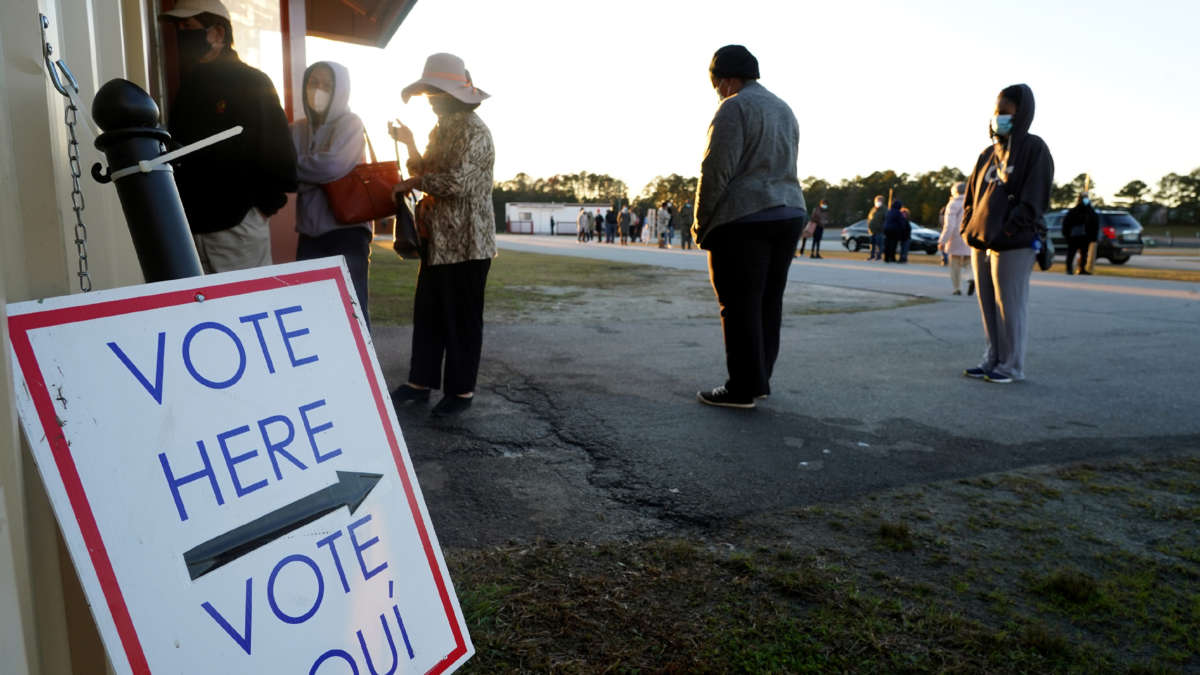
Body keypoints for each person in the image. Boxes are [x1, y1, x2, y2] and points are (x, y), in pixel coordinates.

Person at [692, 45, 807, 409]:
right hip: (788, 211)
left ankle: (741, 387)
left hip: (746, 217)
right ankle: (758, 379)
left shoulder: (734, 106)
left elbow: (716, 170)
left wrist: (701, 222)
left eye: (716, 84)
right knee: (768, 301)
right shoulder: (784, 108)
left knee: (738, 303)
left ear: (724, 79)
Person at [387, 53, 496, 416]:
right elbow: (426, 168)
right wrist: (409, 143)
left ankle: (461, 391)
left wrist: (416, 180)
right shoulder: (442, 127)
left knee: (462, 319)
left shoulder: (474, 131)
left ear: (454, 94)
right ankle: (420, 383)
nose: (431, 100)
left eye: (436, 93)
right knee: (430, 313)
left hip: (468, 243)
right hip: (438, 241)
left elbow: (458, 182)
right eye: (429, 93)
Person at [163, 0, 297, 273]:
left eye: (188, 26)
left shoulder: (252, 82)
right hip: (191, 232)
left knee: (248, 304)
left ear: (218, 33)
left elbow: (281, 157)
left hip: (238, 231)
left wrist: (258, 210)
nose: (181, 34)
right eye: (178, 27)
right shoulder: (189, 86)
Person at [961, 83, 1054, 384]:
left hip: (1013, 242)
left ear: (1021, 112)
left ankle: (1011, 365)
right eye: (996, 110)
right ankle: (992, 359)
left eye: (1006, 111)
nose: (999, 116)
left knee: (1009, 305)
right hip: (981, 240)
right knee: (988, 305)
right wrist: (967, 228)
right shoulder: (988, 153)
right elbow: (971, 196)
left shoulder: (1033, 148)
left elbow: (1035, 197)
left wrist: (1011, 227)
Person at [289, 61, 372, 325]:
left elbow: (333, 165)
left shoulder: (351, 123)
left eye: (327, 84)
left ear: (341, 89)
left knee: (351, 310)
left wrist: (301, 173)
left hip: (347, 232)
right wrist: (314, 174)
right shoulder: (296, 129)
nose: (318, 90)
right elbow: (285, 171)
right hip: (310, 235)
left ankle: (361, 367)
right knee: (310, 312)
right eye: (313, 83)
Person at [937, 182, 973, 295]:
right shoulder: (973, 202)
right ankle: (971, 277)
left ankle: (957, 288)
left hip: (956, 237)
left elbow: (950, 225)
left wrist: (942, 240)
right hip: (970, 235)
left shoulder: (953, 204)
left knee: (955, 264)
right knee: (968, 261)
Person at [1062, 193, 1098, 275]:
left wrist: (1093, 236)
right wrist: (1067, 235)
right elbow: (1066, 224)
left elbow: (1094, 223)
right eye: (1084, 198)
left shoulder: (1090, 211)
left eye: (1086, 198)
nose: (1086, 200)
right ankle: (1069, 269)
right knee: (1071, 253)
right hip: (1074, 236)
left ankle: (1082, 269)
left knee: (1084, 254)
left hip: (1085, 236)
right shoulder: (1074, 211)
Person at [867, 195, 886, 260]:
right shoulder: (873, 209)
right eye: (877, 200)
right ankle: (872, 255)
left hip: (879, 231)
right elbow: (869, 218)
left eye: (880, 200)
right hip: (872, 230)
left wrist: (882, 227)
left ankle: (878, 256)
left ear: (882, 202)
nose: (878, 202)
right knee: (872, 244)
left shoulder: (884, 210)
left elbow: (886, 220)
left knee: (879, 244)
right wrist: (869, 226)